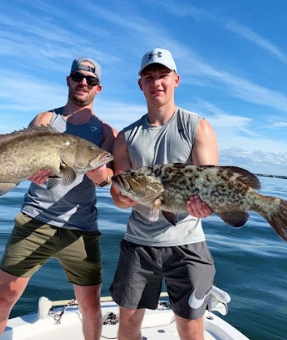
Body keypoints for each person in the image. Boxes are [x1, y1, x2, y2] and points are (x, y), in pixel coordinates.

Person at [0, 57, 117, 340]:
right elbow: (19, 157)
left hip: (81, 228)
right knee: (5, 295)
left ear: (98, 88)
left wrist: (96, 170)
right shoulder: (45, 120)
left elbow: (106, 178)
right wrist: (28, 170)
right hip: (35, 218)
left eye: (90, 80)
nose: (83, 83)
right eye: (77, 77)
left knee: (91, 306)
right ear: (68, 80)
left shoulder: (106, 132)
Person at [109, 48, 218, 340]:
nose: (156, 82)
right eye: (149, 77)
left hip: (188, 244)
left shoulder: (197, 127)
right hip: (138, 245)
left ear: (176, 80)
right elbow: (118, 192)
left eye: (163, 76)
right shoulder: (126, 137)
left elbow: (211, 185)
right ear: (140, 84)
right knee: (128, 322)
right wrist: (123, 198)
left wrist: (206, 206)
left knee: (191, 328)